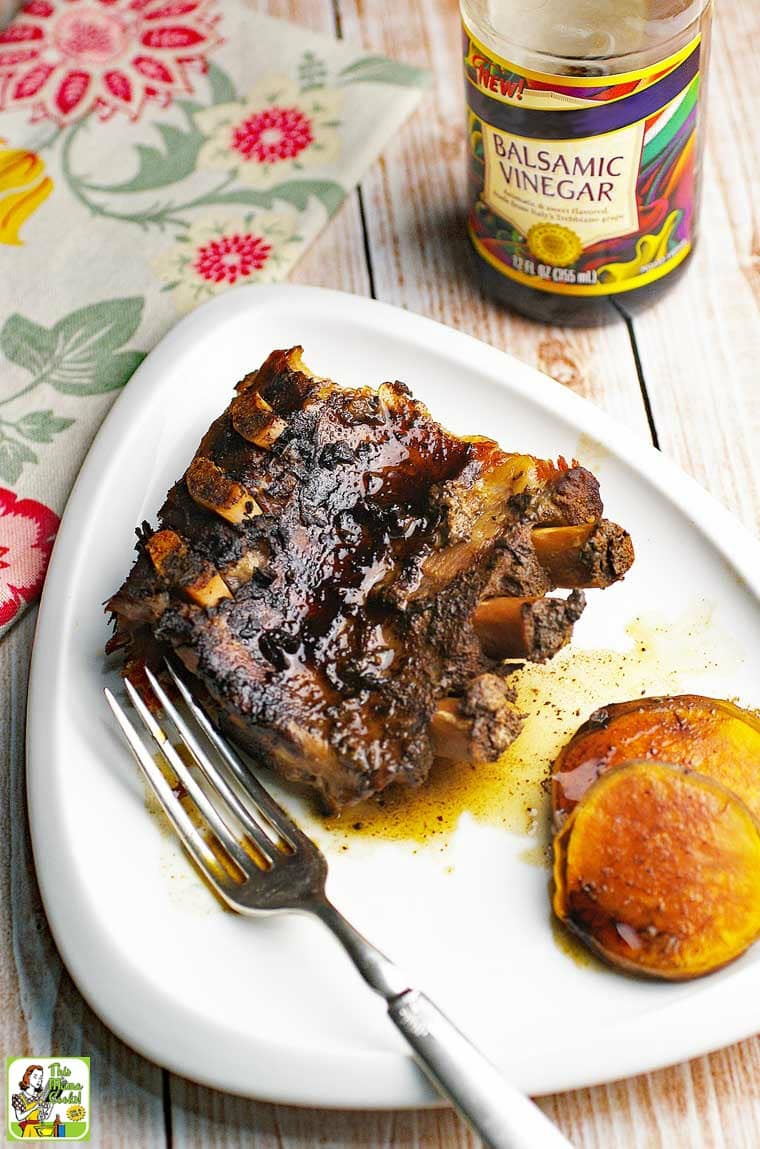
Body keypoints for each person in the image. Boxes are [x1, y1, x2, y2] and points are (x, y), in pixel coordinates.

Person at [11, 1065, 51, 1137]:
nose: (39, 1080)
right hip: (29, 1131)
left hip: (39, 1130)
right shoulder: (19, 1098)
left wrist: (49, 1106)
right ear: (28, 1077)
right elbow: (19, 1117)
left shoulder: (40, 1097)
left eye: (40, 1078)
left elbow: (44, 1116)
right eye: (35, 1077)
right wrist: (33, 1108)